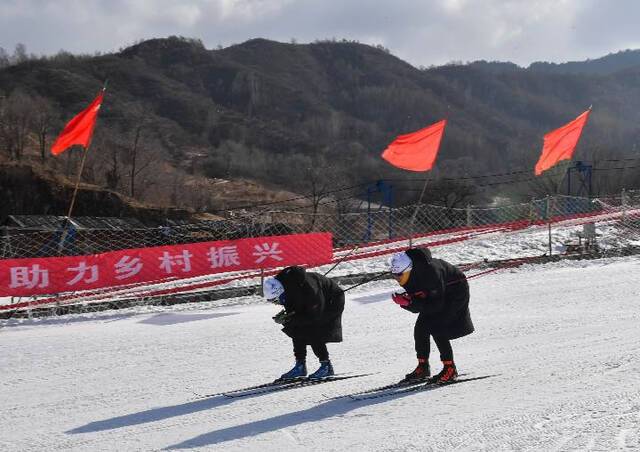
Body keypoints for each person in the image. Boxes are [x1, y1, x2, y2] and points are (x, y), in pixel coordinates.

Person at [389, 247, 473, 384]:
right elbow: (422, 300)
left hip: (454, 293)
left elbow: (435, 306)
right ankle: (423, 367)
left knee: (437, 327)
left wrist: (409, 303)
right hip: (437, 295)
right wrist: (408, 302)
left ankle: (450, 368)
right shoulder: (411, 274)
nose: (397, 278)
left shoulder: (431, 274)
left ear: (409, 269)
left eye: (399, 275)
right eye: (394, 275)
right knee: (420, 328)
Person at [263, 266, 345, 381]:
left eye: (276, 300)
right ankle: (300, 366)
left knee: (312, 329)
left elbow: (313, 317)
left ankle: (326, 365)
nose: (276, 304)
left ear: (280, 292)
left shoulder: (309, 290)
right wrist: (287, 319)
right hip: (311, 301)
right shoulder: (287, 287)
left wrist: (290, 319)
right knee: (296, 328)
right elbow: (295, 316)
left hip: (330, 300)